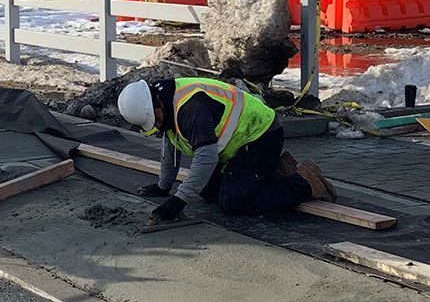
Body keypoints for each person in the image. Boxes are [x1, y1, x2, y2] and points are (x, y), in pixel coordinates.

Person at [117, 75, 333, 225]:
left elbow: (206, 157)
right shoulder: (164, 101)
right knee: (207, 190)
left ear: (157, 105)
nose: (155, 126)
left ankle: (305, 183)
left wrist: (179, 200)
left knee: (234, 201)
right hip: (238, 144)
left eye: (155, 120)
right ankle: (270, 173)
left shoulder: (190, 109)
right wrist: (164, 186)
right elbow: (171, 142)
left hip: (261, 135)